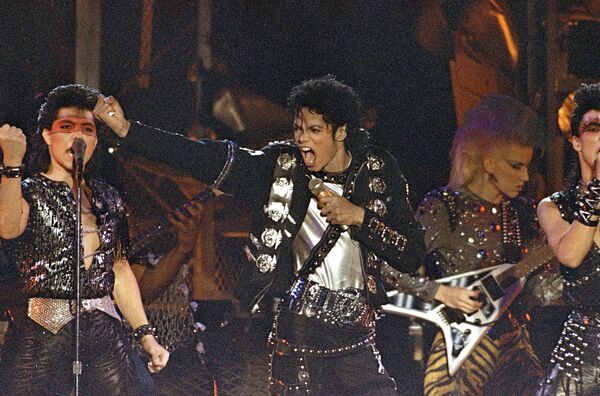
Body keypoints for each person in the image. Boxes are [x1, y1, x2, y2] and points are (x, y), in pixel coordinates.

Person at [95, 74, 425, 395]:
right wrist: (128, 130)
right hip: (298, 343)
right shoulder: (281, 167)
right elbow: (202, 157)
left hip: (358, 342)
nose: (303, 140)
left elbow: (411, 253)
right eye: (298, 129)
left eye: (314, 130)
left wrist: (359, 217)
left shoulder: (378, 174)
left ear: (341, 132)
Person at [0, 84, 169, 395]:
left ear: (94, 140)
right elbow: (8, 228)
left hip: (104, 334)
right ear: (47, 135)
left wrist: (146, 336)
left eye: (87, 130)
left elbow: (118, 269)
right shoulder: (29, 189)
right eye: (66, 127)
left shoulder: (108, 197)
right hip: (43, 334)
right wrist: (11, 164)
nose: (78, 137)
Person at [413, 94, 547, 395]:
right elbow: (392, 271)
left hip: (513, 348)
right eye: (516, 166)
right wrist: (440, 291)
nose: (525, 176)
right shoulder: (443, 208)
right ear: (488, 163)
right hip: (458, 349)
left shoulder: (523, 212)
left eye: (527, 166)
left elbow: (542, 290)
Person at [536, 83, 600, 395]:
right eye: (595, 127)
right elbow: (571, 254)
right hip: (582, 356)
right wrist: (597, 189)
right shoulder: (553, 207)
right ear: (576, 141)